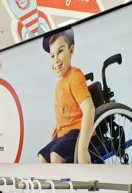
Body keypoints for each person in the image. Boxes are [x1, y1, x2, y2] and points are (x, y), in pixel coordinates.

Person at [38, 28, 95, 164]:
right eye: (52, 56)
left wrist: (83, 148)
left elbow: (89, 108)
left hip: (78, 131)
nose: (56, 59)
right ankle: (53, 184)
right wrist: (57, 127)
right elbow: (66, 110)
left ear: (71, 50)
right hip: (64, 134)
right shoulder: (60, 84)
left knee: (56, 155)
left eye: (60, 51)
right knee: (42, 157)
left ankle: (64, 184)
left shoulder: (74, 75)